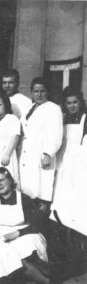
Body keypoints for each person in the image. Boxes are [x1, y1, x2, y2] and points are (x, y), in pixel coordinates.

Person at [0, 167, 66, 284]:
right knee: (12, 254)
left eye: (2, 180)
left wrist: (18, 233)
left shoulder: (23, 199)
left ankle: (45, 273)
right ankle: (48, 278)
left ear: (10, 179)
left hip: (26, 234)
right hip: (4, 239)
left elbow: (39, 224)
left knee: (28, 246)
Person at [19, 77, 63, 206]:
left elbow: (56, 133)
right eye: (35, 91)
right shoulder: (29, 108)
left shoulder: (53, 108)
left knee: (39, 190)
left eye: (42, 91)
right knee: (26, 191)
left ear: (47, 92)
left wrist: (48, 153)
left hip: (41, 155)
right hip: (26, 155)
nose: (39, 94)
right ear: (31, 93)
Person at [51, 86, 87, 235]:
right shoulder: (62, 119)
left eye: (75, 102)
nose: (72, 105)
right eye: (69, 102)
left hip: (78, 166)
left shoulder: (85, 119)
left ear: (81, 102)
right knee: (60, 201)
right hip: (62, 166)